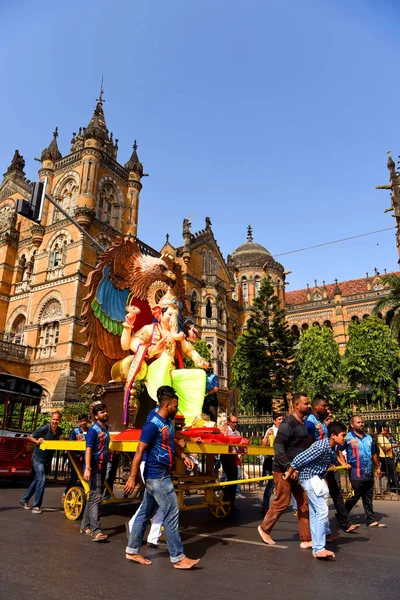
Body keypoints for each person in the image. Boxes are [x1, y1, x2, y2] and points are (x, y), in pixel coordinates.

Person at [124, 386, 200, 569]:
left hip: (161, 474)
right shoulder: (152, 424)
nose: (177, 409)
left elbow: (168, 444)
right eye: (175, 406)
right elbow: (139, 451)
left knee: (145, 513)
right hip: (156, 475)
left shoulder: (167, 424)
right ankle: (178, 557)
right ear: (166, 405)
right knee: (171, 511)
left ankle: (132, 551)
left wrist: (183, 457)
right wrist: (132, 477)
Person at [284, 421, 348, 560]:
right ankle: (319, 549)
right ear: (333, 435)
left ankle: (314, 543)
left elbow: (331, 459)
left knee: (315, 512)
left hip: (315, 478)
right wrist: (289, 472)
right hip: (310, 478)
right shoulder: (321, 445)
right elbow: (299, 458)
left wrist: (336, 464)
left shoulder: (331, 447)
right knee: (322, 511)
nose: (345, 438)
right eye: (343, 435)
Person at [257, 393, 312, 548]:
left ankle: (306, 539)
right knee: (282, 501)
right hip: (283, 470)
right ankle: (264, 528)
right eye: (306, 403)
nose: (308, 406)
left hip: (296, 470)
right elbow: (278, 446)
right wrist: (288, 466)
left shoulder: (302, 423)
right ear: (296, 405)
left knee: (303, 502)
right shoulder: (288, 422)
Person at [305, 396, 358, 534]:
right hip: (318, 466)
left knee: (336, 493)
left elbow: (331, 445)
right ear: (315, 406)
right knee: (319, 500)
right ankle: (318, 533)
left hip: (329, 463)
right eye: (324, 406)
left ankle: (343, 524)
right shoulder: (310, 422)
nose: (326, 409)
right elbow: (310, 445)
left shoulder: (321, 423)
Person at [344, 416, 386, 528]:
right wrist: (343, 463)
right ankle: (342, 515)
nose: (361, 424)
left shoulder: (368, 438)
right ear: (352, 425)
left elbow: (374, 454)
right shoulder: (347, 437)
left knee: (368, 495)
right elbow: (339, 451)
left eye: (362, 422)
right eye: (358, 422)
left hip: (368, 472)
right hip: (355, 472)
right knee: (355, 495)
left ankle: (371, 519)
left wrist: (377, 467)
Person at [20, 411, 62, 514]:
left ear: (59, 421)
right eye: (53, 419)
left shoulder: (59, 431)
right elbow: (30, 436)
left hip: (47, 459)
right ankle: (36, 506)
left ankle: (24, 499)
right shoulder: (44, 429)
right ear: (50, 419)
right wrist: (37, 441)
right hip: (38, 457)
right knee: (42, 479)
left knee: (38, 479)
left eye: (57, 419)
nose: (55, 421)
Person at [80, 403, 110, 541]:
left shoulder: (106, 429)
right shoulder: (93, 430)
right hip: (95, 466)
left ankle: (84, 525)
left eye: (105, 411)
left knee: (93, 497)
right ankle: (96, 531)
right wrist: (87, 467)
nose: (105, 414)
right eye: (102, 412)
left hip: (103, 465)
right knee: (96, 497)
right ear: (96, 415)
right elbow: (88, 449)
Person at [261, 413, 284, 515]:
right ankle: (265, 506)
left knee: (287, 483)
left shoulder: (285, 430)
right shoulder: (271, 430)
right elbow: (264, 444)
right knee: (271, 484)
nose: (281, 421)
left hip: (283, 459)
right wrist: (267, 436)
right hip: (273, 460)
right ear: (274, 421)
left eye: (282, 419)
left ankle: (294, 507)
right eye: (279, 419)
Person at [64, 414, 89, 496]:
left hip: (86, 457)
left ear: (87, 421)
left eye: (84, 420)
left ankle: (82, 494)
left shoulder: (90, 431)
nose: (83, 423)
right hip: (76, 457)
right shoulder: (75, 431)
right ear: (79, 422)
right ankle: (66, 493)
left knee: (85, 476)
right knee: (74, 476)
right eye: (81, 421)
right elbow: (71, 442)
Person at [377, 425, 399, 493]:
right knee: (393, 473)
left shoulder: (384, 437)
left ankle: (389, 489)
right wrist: (394, 445)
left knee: (387, 473)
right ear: (382, 430)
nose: (387, 431)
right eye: (385, 430)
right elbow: (385, 448)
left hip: (388, 457)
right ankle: (397, 489)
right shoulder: (380, 437)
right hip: (385, 457)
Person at [228, 414, 245, 499]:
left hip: (236, 457)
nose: (235, 424)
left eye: (236, 422)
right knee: (227, 476)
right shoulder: (226, 431)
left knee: (237, 475)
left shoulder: (237, 432)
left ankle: (236, 493)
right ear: (229, 422)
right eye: (233, 422)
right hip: (227, 456)